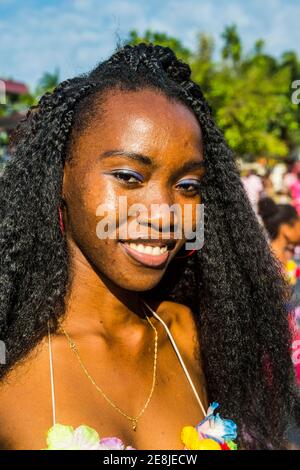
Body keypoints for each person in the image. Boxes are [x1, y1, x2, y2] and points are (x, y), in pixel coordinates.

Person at [0, 43, 299, 450]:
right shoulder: (11, 365)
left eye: (188, 186)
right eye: (128, 176)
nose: (163, 214)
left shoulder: (197, 337)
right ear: (60, 175)